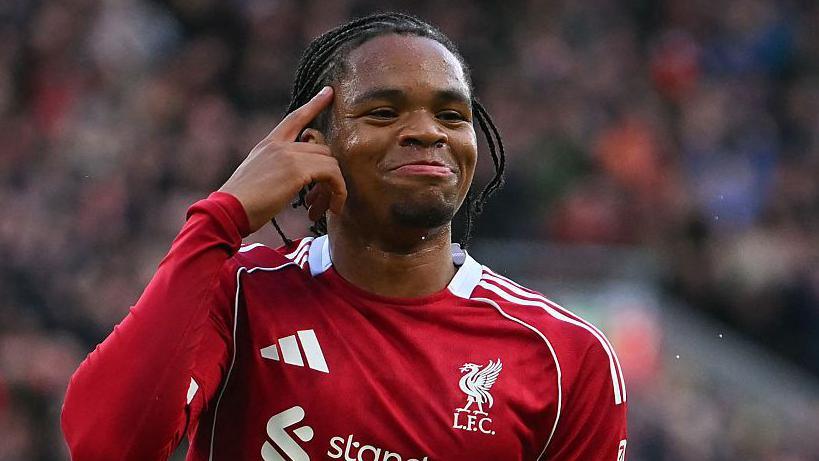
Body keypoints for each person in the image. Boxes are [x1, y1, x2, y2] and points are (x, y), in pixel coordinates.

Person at [61, 12, 627, 461]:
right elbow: (107, 446)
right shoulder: (239, 295)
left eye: (452, 116)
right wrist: (220, 218)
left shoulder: (566, 358)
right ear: (313, 148)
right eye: (383, 112)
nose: (428, 131)